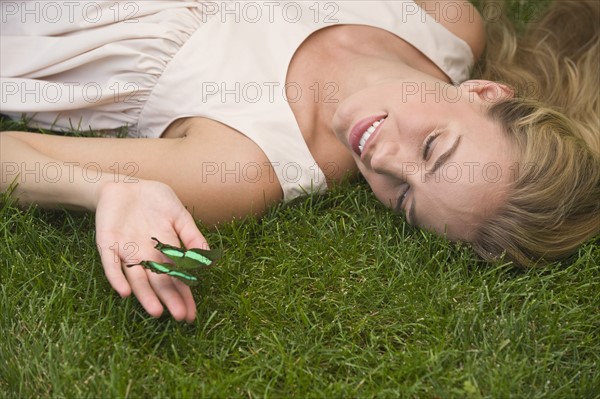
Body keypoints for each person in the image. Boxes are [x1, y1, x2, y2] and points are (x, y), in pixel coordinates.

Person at [1, 0, 598, 322]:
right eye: (432, 148)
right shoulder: (445, 21)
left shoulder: (247, 163)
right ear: (484, 93)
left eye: (408, 200)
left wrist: (103, 189)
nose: (385, 163)